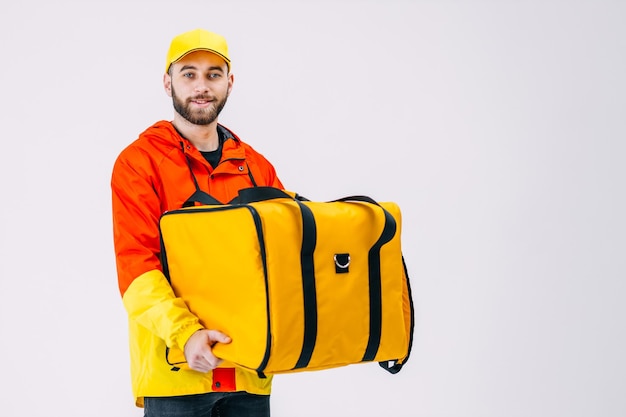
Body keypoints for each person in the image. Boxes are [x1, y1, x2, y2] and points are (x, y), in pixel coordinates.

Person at [111, 28, 283, 417]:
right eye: (189, 73)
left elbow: (281, 263)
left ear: (230, 83)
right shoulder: (139, 163)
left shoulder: (257, 168)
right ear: (168, 81)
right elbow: (137, 269)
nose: (201, 86)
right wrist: (186, 334)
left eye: (213, 74)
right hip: (176, 372)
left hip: (250, 370)